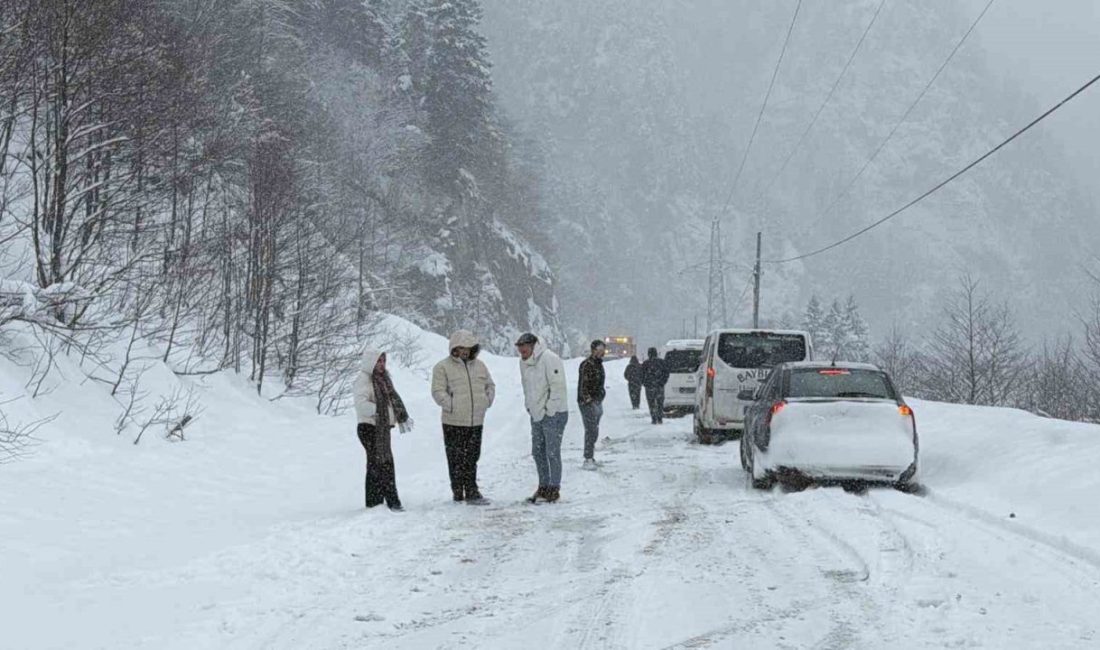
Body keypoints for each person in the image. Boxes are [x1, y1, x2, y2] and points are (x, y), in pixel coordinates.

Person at [431, 330, 496, 505]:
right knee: (455, 458)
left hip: (476, 420)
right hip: (453, 421)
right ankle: (458, 491)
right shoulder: (442, 367)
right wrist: (452, 405)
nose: (465, 351)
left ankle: (472, 490)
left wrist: (487, 400)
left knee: (472, 457)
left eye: (468, 348)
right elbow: (437, 392)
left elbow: (490, 385)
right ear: (454, 348)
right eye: (461, 348)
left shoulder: (480, 366)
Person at [354, 348, 413, 512]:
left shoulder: (383, 379)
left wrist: (390, 414)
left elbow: (391, 401)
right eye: (378, 361)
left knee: (381, 463)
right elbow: (361, 405)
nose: (381, 364)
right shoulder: (363, 380)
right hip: (368, 427)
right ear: (370, 362)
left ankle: (377, 502)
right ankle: (387, 501)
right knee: (380, 463)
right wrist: (381, 411)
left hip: (381, 428)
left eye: (383, 361)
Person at [515, 332, 568, 503]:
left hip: (554, 413)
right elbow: (526, 386)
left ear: (533, 346)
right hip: (536, 413)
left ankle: (554, 487)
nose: (521, 351)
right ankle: (543, 486)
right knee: (537, 451)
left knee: (552, 451)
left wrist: (549, 409)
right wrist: (529, 407)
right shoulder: (523, 363)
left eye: (524, 348)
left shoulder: (549, 358)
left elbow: (558, 386)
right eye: (519, 349)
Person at [577, 340, 607, 469]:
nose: (602, 353)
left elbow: (600, 383)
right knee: (591, 429)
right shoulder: (586, 365)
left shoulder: (599, 364)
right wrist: (587, 398)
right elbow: (583, 384)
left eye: (603, 350)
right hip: (587, 402)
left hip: (597, 400)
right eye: (599, 350)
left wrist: (601, 395)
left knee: (594, 430)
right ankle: (587, 458)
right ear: (593, 350)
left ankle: (591, 456)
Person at [641, 347, 670, 425]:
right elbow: (666, 373)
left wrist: (645, 383)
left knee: (651, 403)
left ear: (648, 354)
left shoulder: (645, 363)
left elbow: (641, 375)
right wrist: (662, 382)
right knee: (660, 403)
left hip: (649, 387)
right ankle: (660, 418)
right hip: (659, 386)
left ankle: (653, 418)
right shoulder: (662, 362)